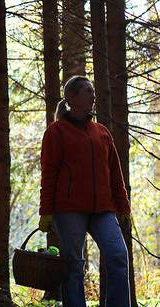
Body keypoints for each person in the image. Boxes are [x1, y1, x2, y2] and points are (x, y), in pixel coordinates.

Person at [38, 75, 131, 307]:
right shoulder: (56, 132)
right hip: (68, 210)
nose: (93, 95)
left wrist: (123, 207)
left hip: (103, 209)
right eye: (88, 91)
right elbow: (48, 174)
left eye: (92, 91)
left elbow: (115, 173)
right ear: (72, 97)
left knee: (118, 256)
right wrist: (46, 211)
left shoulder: (101, 132)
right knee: (73, 266)